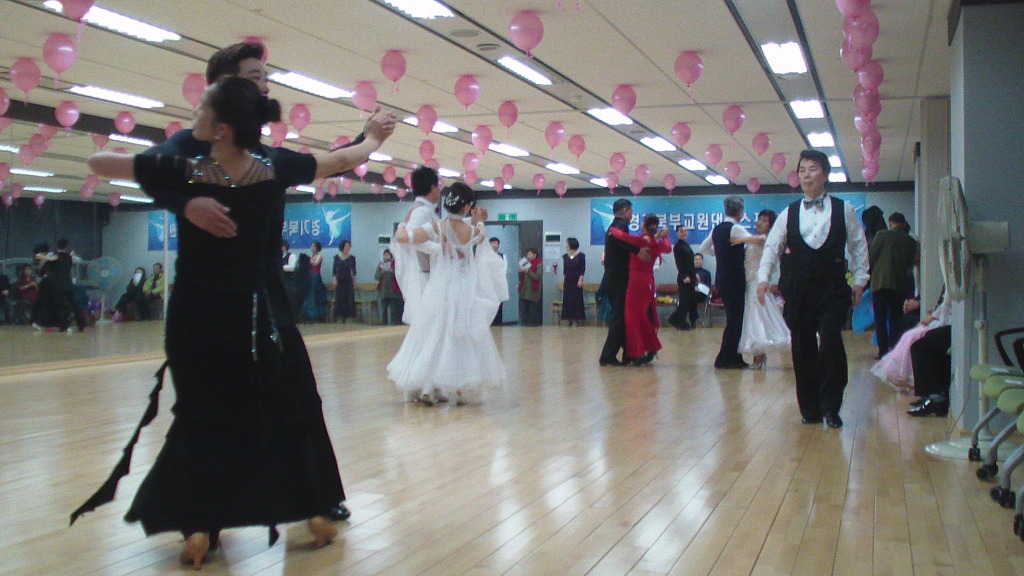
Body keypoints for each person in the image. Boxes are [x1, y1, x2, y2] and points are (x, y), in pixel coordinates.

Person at [73, 75, 396, 567]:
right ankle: (309, 511)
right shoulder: (273, 169)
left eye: (202, 109)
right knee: (274, 413)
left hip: (195, 316)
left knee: (201, 416)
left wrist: (182, 191)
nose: (194, 115)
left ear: (221, 128)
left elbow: (98, 162)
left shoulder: (188, 170)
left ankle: (201, 526)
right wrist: (372, 136)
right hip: (251, 317)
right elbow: (340, 160)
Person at [125, 41, 357, 523]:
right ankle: (202, 514)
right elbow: (148, 170)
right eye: (254, 76)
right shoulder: (190, 147)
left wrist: (367, 137)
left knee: (297, 394)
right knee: (207, 406)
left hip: (267, 294)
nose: (265, 85)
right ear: (222, 86)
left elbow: (326, 163)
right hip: (208, 300)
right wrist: (186, 204)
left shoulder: (265, 156)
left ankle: (315, 496)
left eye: (266, 77)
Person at [757, 149, 869, 429]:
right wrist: (763, 278)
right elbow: (771, 247)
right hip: (798, 289)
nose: (806, 175)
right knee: (802, 347)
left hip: (832, 289)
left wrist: (860, 280)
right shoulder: (789, 212)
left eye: (813, 169)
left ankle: (831, 407)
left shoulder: (844, 209)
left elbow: (858, 245)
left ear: (826, 174)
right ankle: (810, 408)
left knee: (830, 342)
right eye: (802, 170)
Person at [387, 183, 506, 405]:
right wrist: (478, 219)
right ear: (467, 207)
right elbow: (481, 233)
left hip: (437, 290)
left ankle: (426, 386)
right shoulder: (472, 231)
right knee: (459, 339)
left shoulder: (437, 227)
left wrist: (403, 224)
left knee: (431, 335)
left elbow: (404, 238)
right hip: (463, 292)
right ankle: (454, 387)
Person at [607, 214, 671, 365]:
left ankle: (637, 352)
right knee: (642, 317)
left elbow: (623, 237)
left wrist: (613, 230)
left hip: (636, 282)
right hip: (649, 282)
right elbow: (668, 248)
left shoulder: (641, 240)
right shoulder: (655, 242)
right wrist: (664, 236)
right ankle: (650, 347)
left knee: (632, 319)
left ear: (643, 226)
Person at [733, 210, 790, 370]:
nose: (760, 223)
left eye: (764, 221)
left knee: (758, 318)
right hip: (750, 283)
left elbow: (763, 239)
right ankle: (758, 356)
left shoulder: (768, 239)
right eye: (759, 219)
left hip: (759, 283)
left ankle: (759, 356)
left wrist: (741, 239)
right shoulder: (753, 239)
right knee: (754, 319)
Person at [699, 195, 751, 369]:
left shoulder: (717, 229)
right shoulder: (736, 228)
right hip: (735, 280)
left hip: (722, 279)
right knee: (736, 321)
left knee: (734, 319)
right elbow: (753, 242)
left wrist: (719, 253)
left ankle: (733, 356)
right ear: (740, 211)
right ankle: (724, 358)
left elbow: (703, 248)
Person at [599, 199, 650, 367]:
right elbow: (623, 241)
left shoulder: (615, 226)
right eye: (631, 211)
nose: (632, 215)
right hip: (618, 279)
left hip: (614, 278)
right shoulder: (619, 226)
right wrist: (638, 250)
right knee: (620, 318)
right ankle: (608, 356)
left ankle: (630, 355)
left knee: (624, 318)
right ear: (626, 210)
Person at [872, 287, 949, 395]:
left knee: (913, 337)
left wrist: (933, 315)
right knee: (908, 334)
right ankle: (901, 376)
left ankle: (913, 381)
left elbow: (946, 305)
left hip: (945, 321)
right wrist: (934, 311)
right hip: (940, 318)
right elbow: (942, 304)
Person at [391, 166, 441, 327]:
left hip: (424, 273)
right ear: (432, 188)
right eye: (438, 186)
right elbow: (410, 239)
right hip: (422, 275)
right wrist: (439, 249)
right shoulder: (421, 211)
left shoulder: (422, 209)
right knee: (427, 326)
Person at [868, 212, 920, 358]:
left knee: (880, 319)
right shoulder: (911, 242)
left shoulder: (881, 235)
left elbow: (871, 257)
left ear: (891, 223)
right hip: (899, 285)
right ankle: (896, 350)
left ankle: (883, 351)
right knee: (896, 318)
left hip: (880, 283)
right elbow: (910, 263)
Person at [667, 226, 696, 331]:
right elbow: (679, 263)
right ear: (677, 233)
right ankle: (676, 320)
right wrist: (685, 276)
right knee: (684, 301)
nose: (684, 233)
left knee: (689, 301)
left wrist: (694, 275)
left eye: (685, 231)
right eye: (681, 231)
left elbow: (690, 262)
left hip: (691, 276)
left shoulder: (686, 245)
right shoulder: (678, 246)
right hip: (685, 277)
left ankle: (681, 321)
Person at [560, 238, 587, 327]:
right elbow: (565, 270)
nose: (566, 246)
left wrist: (580, 280)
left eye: (567, 244)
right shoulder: (565, 256)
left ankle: (576, 319)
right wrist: (564, 280)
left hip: (576, 281)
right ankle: (568, 319)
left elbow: (582, 269)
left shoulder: (581, 256)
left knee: (576, 300)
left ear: (571, 245)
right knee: (567, 299)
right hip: (568, 281)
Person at [375, 249, 403, 325]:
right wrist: (380, 272)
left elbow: (400, 276)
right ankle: (383, 324)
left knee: (393, 310)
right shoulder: (381, 265)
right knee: (383, 309)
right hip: (383, 291)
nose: (385, 257)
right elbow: (376, 277)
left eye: (387, 255)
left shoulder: (395, 264)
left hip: (393, 291)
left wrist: (393, 271)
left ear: (391, 256)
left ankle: (394, 324)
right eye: (384, 255)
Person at [302, 241, 328, 322]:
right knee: (310, 296)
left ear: (317, 248)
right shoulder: (311, 256)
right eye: (312, 246)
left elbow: (315, 264)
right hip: (310, 276)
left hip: (316, 276)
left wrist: (308, 260)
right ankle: (309, 316)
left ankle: (318, 316)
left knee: (316, 296)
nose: (312, 248)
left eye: (313, 246)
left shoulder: (319, 256)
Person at [332, 240, 357, 322]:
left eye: (349, 246)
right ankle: (339, 317)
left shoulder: (352, 258)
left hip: (348, 281)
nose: (347, 248)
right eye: (346, 246)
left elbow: (354, 271)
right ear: (342, 247)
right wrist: (334, 280)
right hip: (339, 281)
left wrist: (354, 282)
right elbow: (334, 271)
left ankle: (348, 317)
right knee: (339, 298)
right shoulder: (336, 257)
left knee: (348, 298)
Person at [518, 248, 543, 326]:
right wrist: (521, 272)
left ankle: (532, 324)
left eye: (529, 254)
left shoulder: (539, 264)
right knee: (524, 308)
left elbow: (537, 277)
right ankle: (524, 323)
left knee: (533, 309)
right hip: (524, 289)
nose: (528, 256)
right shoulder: (525, 263)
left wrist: (528, 271)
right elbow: (521, 278)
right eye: (527, 254)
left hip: (533, 290)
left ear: (535, 255)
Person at [489, 237, 507, 326]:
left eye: (496, 243)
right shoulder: (484, 256)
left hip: (499, 284)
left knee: (499, 303)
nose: (494, 245)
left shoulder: (502, 256)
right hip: (488, 284)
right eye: (492, 243)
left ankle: (498, 323)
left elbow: (504, 269)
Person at [281, 240, 299, 313]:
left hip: (289, 281)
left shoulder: (291, 256)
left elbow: (292, 267)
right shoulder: (278, 257)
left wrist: (281, 267)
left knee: (290, 299)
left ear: (285, 247)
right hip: (281, 281)